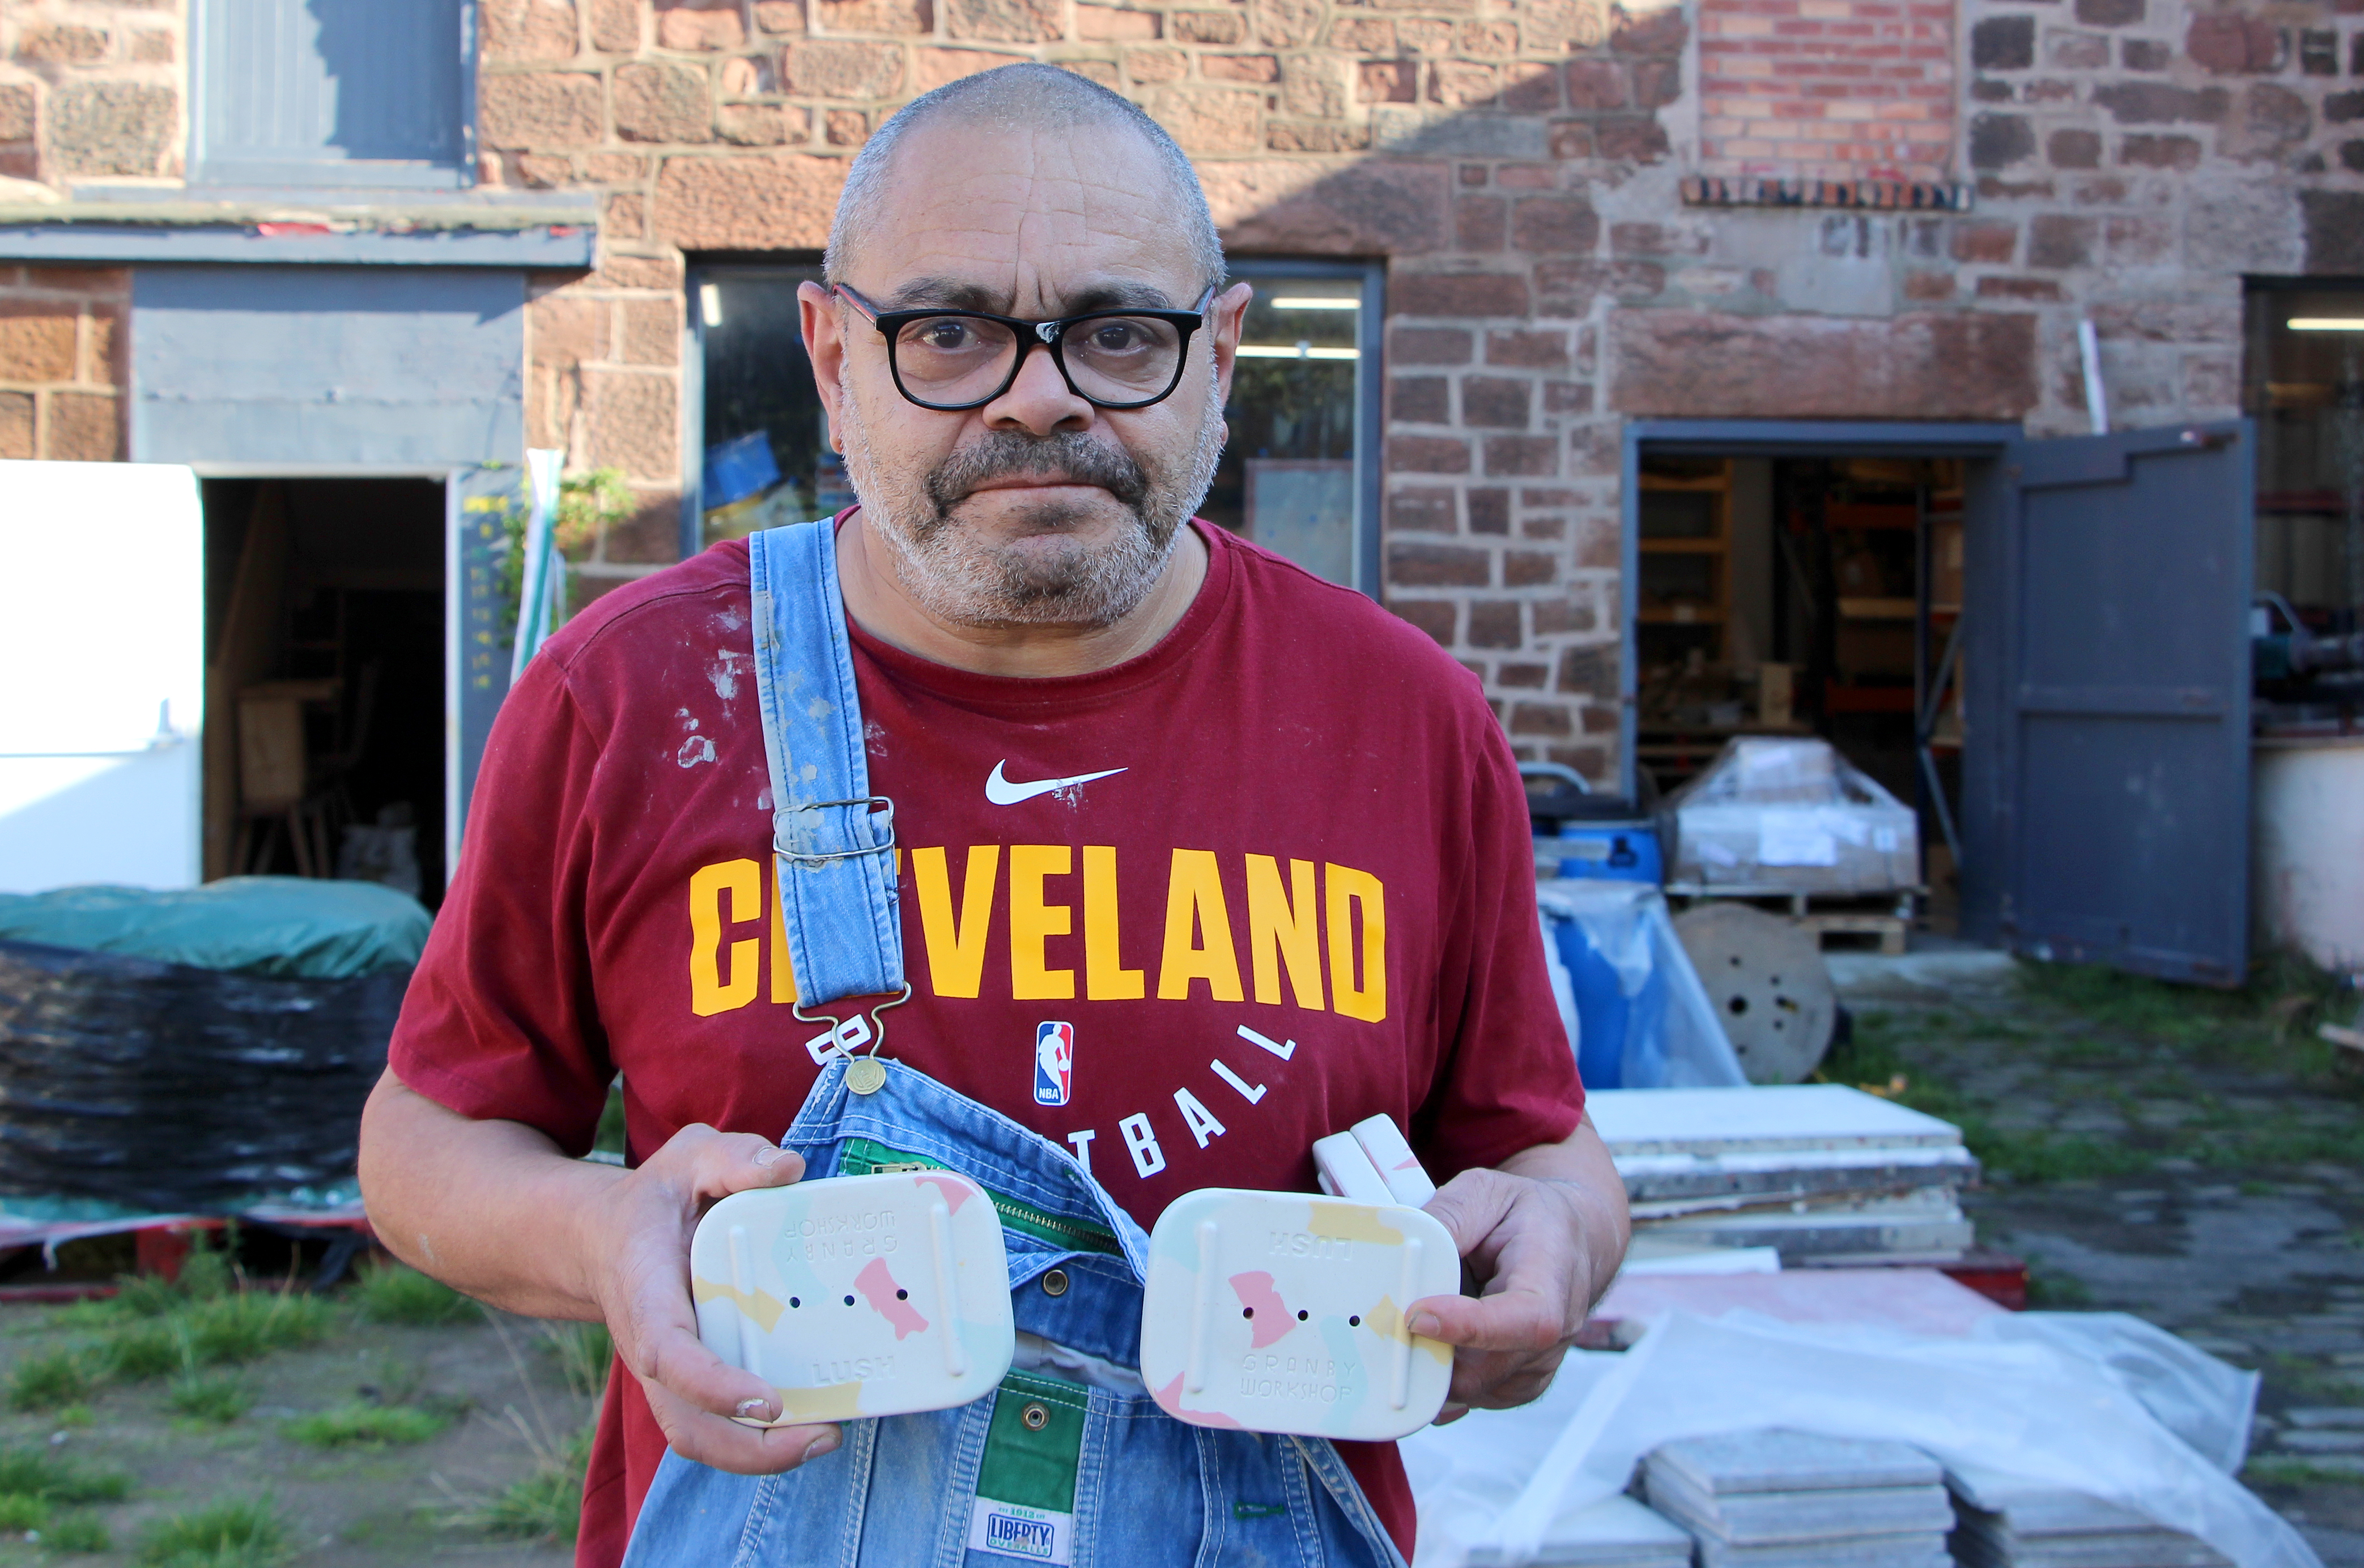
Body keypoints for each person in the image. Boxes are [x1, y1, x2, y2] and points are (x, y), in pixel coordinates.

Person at [358, 62, 1630, 1568]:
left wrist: (1559, 1249)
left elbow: (1542, 1154)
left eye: (1117, 333)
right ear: (831, 358)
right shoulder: (629, 696)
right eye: (948, 332)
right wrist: (596, 1236)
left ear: (1219, 353)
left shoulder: (1404, 720)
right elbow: (431, 1133)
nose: (1042, 396)